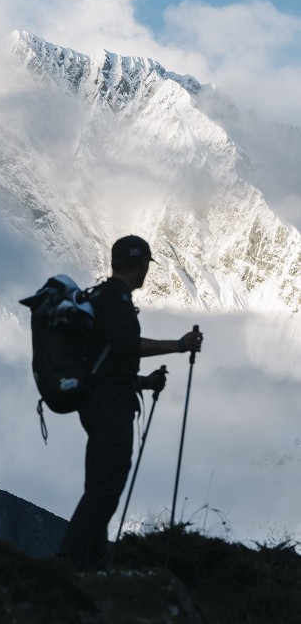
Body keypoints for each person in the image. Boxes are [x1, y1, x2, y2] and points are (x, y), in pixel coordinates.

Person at [57, 235, 203, 569]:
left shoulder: (101, 297)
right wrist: (179, 345)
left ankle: (91, 561)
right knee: (107, 485)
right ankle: (71, 561)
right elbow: (126, 346)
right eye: (146, 266)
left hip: (97, 401)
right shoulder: (117, 299)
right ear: (140, 265)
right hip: (111, 406)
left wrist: (144, 383)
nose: (145, 273)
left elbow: (107, 361)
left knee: (99, 483)